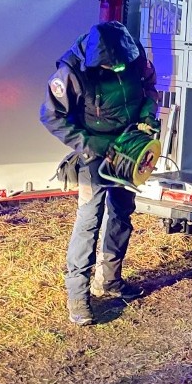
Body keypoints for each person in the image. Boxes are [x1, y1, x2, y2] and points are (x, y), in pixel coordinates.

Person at [40, 21, 159, 326]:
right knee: (88, 220)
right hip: (94, 153)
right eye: (110, 65)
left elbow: (148, 88)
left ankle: (109, 280)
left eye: (122, 64)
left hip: (128, 150)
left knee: (121, 215)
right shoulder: (71, 70)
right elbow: (51, 116)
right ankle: (78, 295)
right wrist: (92, 144)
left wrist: (147, 116)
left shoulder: (133, 55)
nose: (118, 68)